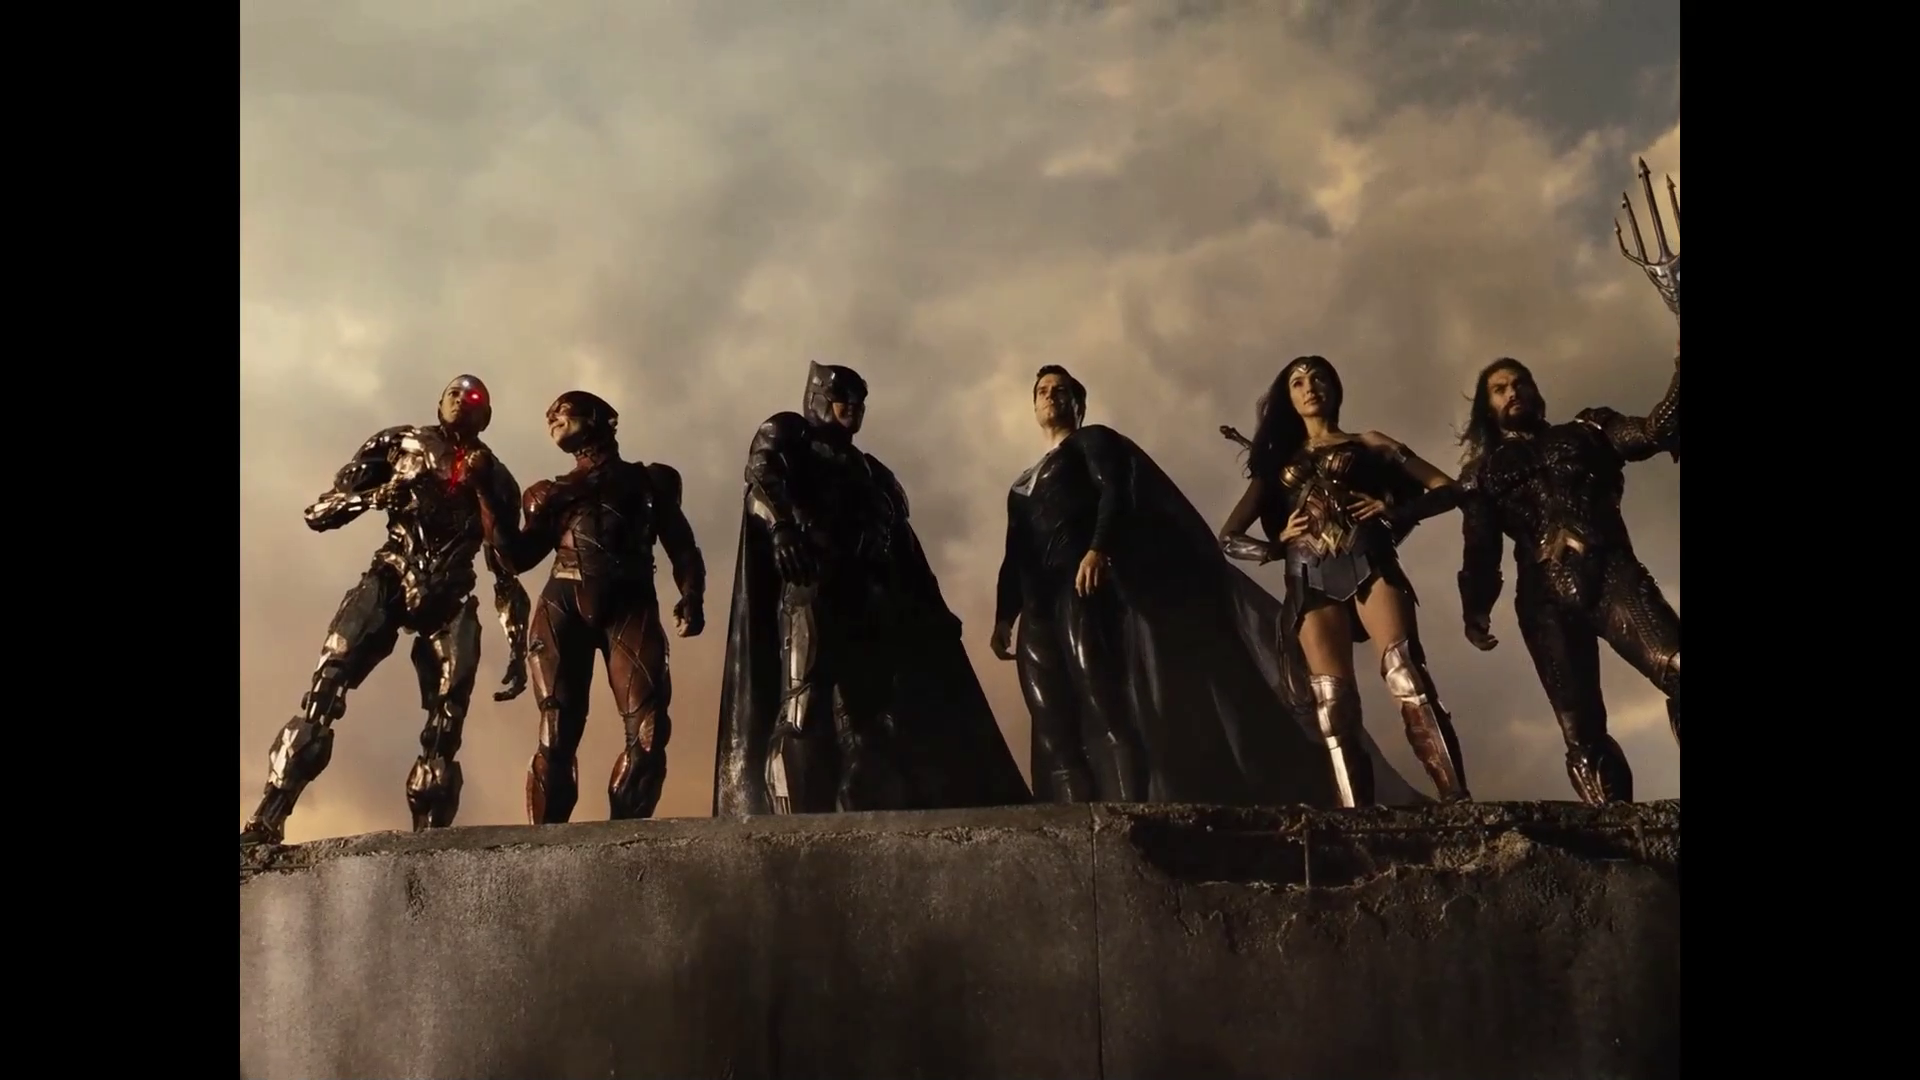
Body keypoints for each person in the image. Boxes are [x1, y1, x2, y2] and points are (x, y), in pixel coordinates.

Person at [990, 365, 1339, 806]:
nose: (1050, 396)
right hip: (1038, 605)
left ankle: (1124, 810)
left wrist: (1098, 549)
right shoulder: (1021, 485)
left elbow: (1116, 492)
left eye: (1061, 390)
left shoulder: (1091, 441)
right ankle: (1070, 819)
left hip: (1081, 589)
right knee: (1050, 720)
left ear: (1079, 404)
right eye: (1042, 390)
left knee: (1102, 701)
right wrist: (1004, 616)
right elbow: (1014, 551)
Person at [713, 362, 1030, 816]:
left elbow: (905, 545)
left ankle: (859, 816)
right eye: (843, 399)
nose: (853, 409)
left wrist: (933, 608)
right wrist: (782, 530)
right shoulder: (790, 436)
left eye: (860, 402)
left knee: (870, 725)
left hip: (869, 602)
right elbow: (761, 479)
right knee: (802, 710)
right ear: (820, 398)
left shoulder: (874, 473)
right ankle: (788, 829)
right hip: (811, 590)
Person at [240, 375, 531, 846]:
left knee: (447, 721)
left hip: (451, 593)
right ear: (439, 401)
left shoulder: (496, 478)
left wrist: (517, 646)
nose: (462, 400)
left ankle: (429, 841)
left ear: (487, 415)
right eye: (454, 393)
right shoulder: (400, 443)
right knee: (326, 687)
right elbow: (321, 512)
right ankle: (266, 817)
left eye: (474, 396)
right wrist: (375, 496)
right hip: (392, 574)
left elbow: (505, 566)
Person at [1219, 356, 1470, 806]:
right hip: (1308, 575)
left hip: (1370, 560)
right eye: (1297, 382)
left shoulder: (1368, 443)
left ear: (1335, 388)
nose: (1309, 387)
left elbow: (1449, 489)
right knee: (1333, 704)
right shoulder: (1275, 464)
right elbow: (1229, 538)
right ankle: (1358, 817)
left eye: (1318, 378)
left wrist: (1393, 506)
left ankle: (1457, 798)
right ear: (1289, 397)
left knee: (1406, 673)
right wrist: (1276, 544)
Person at [1455, 348, 1680, 804]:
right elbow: (1480, 549)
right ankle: (1618, 832)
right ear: (1486, 406)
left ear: (1536, 391)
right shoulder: (1480, 474)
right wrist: (1475, 608)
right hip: (1542, 599)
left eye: (1520, 382)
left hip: (1611, 573)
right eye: (1499, 389)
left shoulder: (1589, 429)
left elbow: (1654, 431)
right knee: (1581, 734)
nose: (1512, 391)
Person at [475, 390, 707, 823]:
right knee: (556, 733)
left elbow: (682, 545)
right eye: (549, 415)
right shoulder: (549, 493)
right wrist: (488, 495)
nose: (552, 418)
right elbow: (516, 558)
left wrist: (691, 594)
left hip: (630, 600)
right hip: (564, 601)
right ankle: (546, 844)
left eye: (562, 411)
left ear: (598, 418)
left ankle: (623, 839)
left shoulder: (651, 481)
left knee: (650, 733)